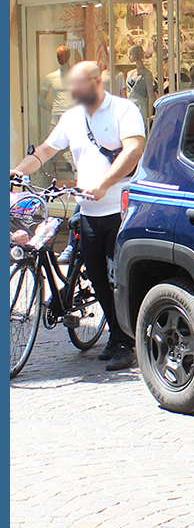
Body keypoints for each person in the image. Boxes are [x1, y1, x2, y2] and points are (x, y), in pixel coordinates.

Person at [11, 61, 146, 371]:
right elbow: (46, 150)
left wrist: (105, 184)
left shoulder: (123, 110)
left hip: (121, 210)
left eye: (78, 85)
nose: (72, 91)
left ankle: (127, 341)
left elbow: (133, 149)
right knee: (98, 277)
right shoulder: (72, 118)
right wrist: (19, 170)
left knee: (118, 280)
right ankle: (116, 335)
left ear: (97, 81)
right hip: (88, 210)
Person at [125, 45, 155, 127]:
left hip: (141, 108)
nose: (129, 57)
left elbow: (150, 96)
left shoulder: (147, 74)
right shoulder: (130, 73)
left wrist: (149, 116)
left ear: (137, 55)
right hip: (130, 108)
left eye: (131, 54)